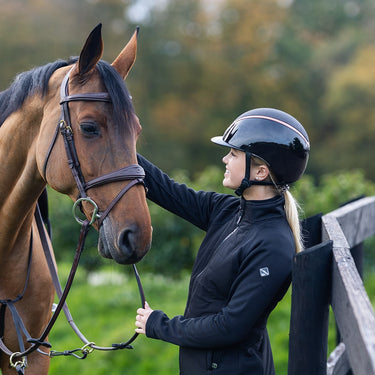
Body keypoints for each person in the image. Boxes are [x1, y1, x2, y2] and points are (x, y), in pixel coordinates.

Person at [135, 107, 310, 374]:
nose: (225, 159)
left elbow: (230, 326)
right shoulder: (228, 211)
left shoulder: (273, 245)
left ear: (261, 172)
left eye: (234, 154)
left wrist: (160, 325)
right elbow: (167, 190)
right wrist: (115, 145)